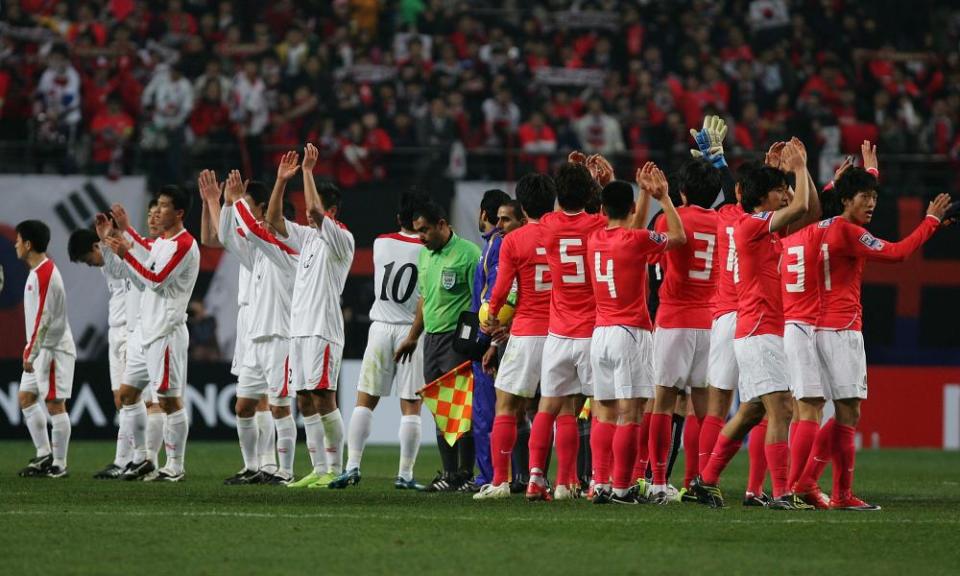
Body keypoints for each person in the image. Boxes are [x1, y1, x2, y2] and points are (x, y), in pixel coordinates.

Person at [801, 162, 951, 511]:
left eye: (874, 197)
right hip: (841, 329)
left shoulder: (819, 226)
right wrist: (930, 221)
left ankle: (818, 485)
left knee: (843, 411)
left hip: (817, 327)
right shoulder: (849, 232)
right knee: (848, 412)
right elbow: (897, 254)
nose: (871, 204)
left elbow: (831, 199)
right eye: (864, 197)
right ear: (846, 200)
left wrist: (868, 172)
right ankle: (825, 488)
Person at [691, 138, 820, 509]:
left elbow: (806, 210)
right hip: (758, 327)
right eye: (779, 191)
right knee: (781, 407)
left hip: (759, 328)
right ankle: (780, 493)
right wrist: (799, 165)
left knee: (752, 411)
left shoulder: (763, 227)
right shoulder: (752, 225)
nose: (786, 195)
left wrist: (797, 170)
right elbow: (802, 206)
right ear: (763, 198)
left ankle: (707, 479)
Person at [590, 166, 687, 505]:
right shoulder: (638, 240)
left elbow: (629, 229)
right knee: (631, 414)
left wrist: (641, 194)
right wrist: (663, 197)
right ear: (631, 210)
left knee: (603, 412)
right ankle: (621, 487)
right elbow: (678, 237)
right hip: (629, 333)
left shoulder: (595, 238)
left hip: (599, 334)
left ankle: (599, 483)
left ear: (603, 211)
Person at [263, 143, 355, 489]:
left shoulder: (341, 238)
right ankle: (318, 469)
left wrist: (307, 171)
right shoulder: (307, 238)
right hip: (298, 329)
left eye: (315, 209)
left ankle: (335, 467)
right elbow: (272, 221)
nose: (307, 214)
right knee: (303, 397)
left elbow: (315, 210)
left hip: (323, 328)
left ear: (332, 210)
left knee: (322, 396)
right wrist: (281, 181)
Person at [98, 185, 200, 482]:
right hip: (146, 332)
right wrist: (126, 231)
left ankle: (176, 466)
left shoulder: (184, 244)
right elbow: (146, 255)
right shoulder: (163, 242)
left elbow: (155, 279)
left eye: (165, 205)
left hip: (166, 332)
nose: (158, 210)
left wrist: (125, 253)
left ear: (179, 213)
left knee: (168, 401)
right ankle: (143, 457)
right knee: (128, 395)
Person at [331, 188, 429, 490]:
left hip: (380, 327)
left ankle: (352, 466)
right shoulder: (428, 250)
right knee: (411, 405)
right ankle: (405, 474)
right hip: (410, 329)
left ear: (400, 217)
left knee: (364, 401)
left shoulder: (380, 243)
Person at [526, 158, 610, 501]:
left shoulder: (547, 224)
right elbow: (613, 216)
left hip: (558, 332)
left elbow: (562, 206)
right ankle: (593, 481)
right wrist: (600, 183)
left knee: (549, 406)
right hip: (591, 330)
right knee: (600, 406)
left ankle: (537, 478)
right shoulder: (598, 225)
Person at [474, 174, 555, 500]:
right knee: (554, 410)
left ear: (522, 208)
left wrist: (492, 318)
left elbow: (503, 288)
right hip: (560, 332)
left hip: (524, 332)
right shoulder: (562, 233)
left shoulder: (513, 241)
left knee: (506, 407)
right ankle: (558, 482)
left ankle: (501, 482)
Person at [647, 158, 721, 503]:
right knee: (702, 406)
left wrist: (661, 200)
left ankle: (659, 481)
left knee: (663, 402)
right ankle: (698, 480)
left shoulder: (668, 218)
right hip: (710, 321)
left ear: (682, 190)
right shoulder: (724, 223)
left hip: (675, 318)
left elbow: (652, 259)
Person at [394, 200, 481, 492]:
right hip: (430, 339)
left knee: (461, 409)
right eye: (418, 231)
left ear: (443, 225)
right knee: (440, 408)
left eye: (425, 230)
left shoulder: (469, 254)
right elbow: (424, 299)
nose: (420, 236)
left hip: (457, 339)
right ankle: (449, 473)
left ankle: (466, 474)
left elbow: (478, 299)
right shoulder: (425, 255)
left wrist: (473, 341)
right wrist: (413, 336)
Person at [67, 227, 129, 478]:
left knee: (133, 399)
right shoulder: (107, 265)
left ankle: (135, 459)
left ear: (97, 247)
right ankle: (125, 459)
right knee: (120, 401)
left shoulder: (126, 256)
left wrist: (111, 237)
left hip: (130, 331)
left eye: (87, 259)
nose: (90, 265)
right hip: (116, 332)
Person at [16, 220, 76, 478]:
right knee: (26, 398)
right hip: (40, 349)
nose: (14, 244)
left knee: (54, 404)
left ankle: (59, 464)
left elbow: (44, 317)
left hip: (51, 350)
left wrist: (31, 350)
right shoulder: (38, 271)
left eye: (18, 240)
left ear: (28, 244)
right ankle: (43, 454)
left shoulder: (45, 273)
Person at [468, 188, 511, 491]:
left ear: (484, 214)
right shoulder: (492, 245)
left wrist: (485, 339)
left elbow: (496, 294)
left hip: (492, 336)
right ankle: (510, 474)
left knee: (487, 413)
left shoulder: (496, 246)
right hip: (500, 334)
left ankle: (492, 477)